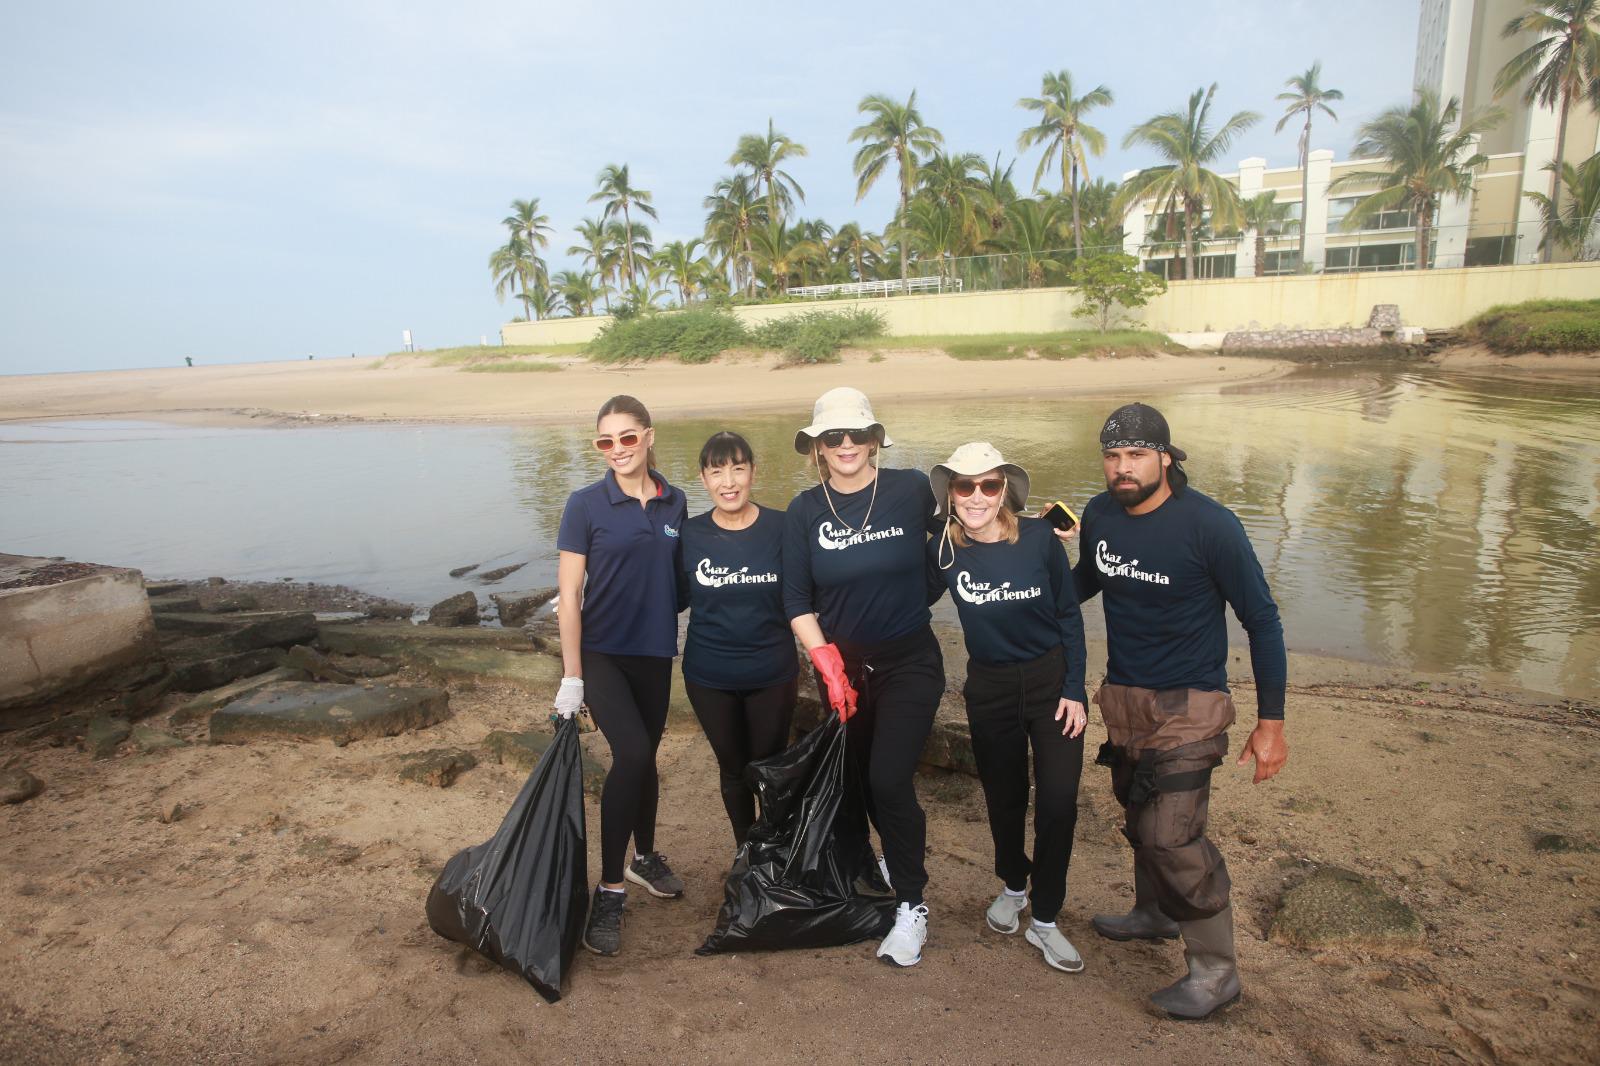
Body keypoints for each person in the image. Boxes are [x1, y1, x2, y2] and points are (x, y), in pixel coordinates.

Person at [1074, 402, 1289, 1020]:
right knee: (1139, 813)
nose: (1123, 468)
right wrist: (1020, 561)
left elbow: (1264, 622)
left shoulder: (1210, 526)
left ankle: (1217, 972)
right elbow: (1085, 581)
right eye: (1113, 456)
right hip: (1125, 698)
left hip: (1192, 702)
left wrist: (1270, 723)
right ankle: (1154, 913)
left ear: (1166, 457)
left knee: (1172, 835)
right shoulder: (1099, 513)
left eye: (1137, 454)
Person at [783, 386, 944, 968]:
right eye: (833, 437)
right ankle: (892, 860)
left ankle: (913, 905)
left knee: (889, 779)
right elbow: (797, 600)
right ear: (818, 447)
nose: (846, 444)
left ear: (876, 439)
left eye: (857, 434)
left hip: (910, 660)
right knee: (861, 781)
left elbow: (968, 530)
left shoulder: (911, 489)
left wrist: (1031, 539)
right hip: (843, 670)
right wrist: (825, 663)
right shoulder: (804, 511)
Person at [927, 443, 1089, 974]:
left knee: (1059, 801)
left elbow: (1069, 614)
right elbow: (894, 587)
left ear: (1005, 492)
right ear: (950, 493)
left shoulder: (1040, 539)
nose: (977, 496)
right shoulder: (943, 552)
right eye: (965, 486)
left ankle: (1045, 917)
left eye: (988, 485)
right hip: (990, 688)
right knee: (1004, 796)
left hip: (1051, 685)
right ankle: (1014, 885)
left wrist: (1075, 689)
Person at [554, 394, 689, 958]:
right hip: (603, 652)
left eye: (627, 438)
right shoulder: (584, 504)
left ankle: (645, 857)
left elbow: (685, 581)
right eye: (605, 442)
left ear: (648, 436)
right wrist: (573, 676)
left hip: (655, 653)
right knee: (631, 755)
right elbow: (568, 594)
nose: (617, 451)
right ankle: (609, 889)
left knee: (647, 756)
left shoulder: (675, 501)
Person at [679, 431, 798, 851]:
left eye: (738, 469)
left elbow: (811, 594)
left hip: (772, 672)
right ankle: (745, 851)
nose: (728, 482)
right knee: (732, 768)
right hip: (709, 675)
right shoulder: (689, 535)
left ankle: (772, 850)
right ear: (703, 478)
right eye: (716, 471)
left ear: (752, 472)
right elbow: (669, 596)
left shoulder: (784, 526)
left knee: (769, 768)